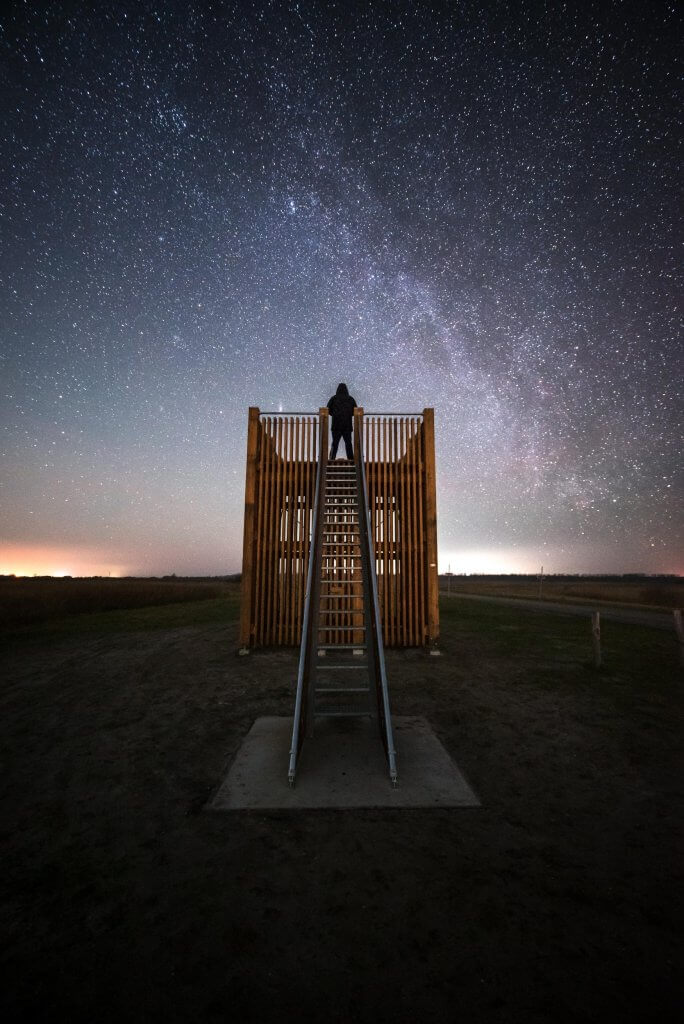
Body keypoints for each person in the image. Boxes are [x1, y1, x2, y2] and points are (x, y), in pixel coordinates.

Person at [327, 382, 357, 460]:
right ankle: (351, 459)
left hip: (336, 425)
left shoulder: (333, 398)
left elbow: (328, 410)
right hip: (347, 425)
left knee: (335, 443)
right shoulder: (350, 399)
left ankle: (331, 458)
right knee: (348, 443)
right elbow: (355, 411)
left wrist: (334, 414)